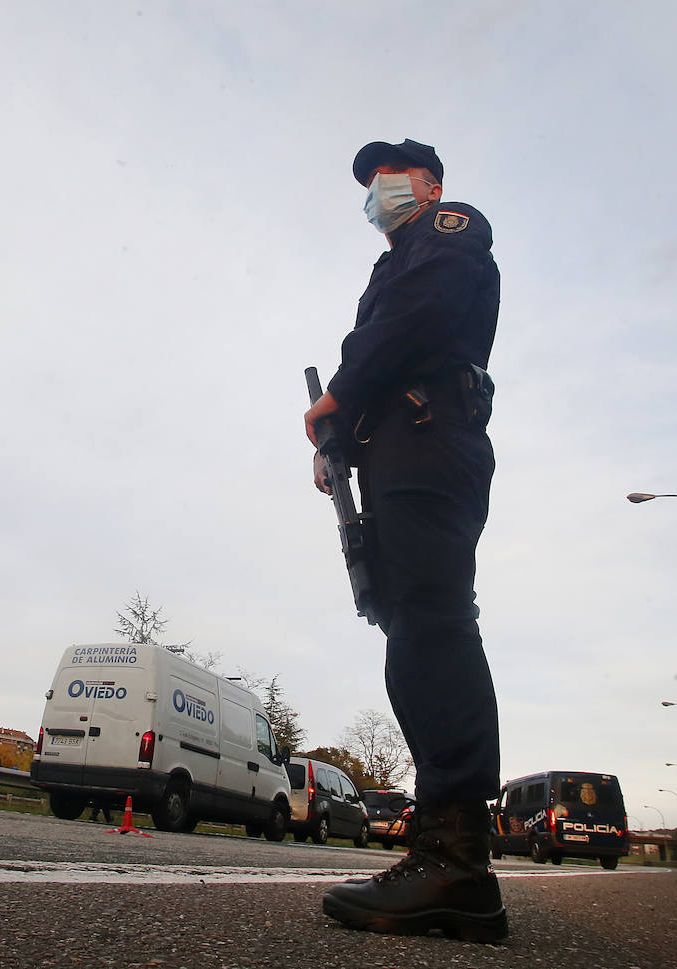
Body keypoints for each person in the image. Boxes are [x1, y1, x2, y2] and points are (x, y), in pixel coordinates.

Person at [303, 139, 506, 942]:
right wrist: (343, 442)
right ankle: (436, 845)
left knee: (433, 617)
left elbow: (418, 316)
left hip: (431, 436)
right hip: (397, 446)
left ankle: (460, 860)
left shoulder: (448, 231)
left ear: (427, 184)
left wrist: (342, 396)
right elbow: (392, 335)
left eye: (385, 174)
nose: (374, 190)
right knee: (409, 628)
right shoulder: (395, 260)